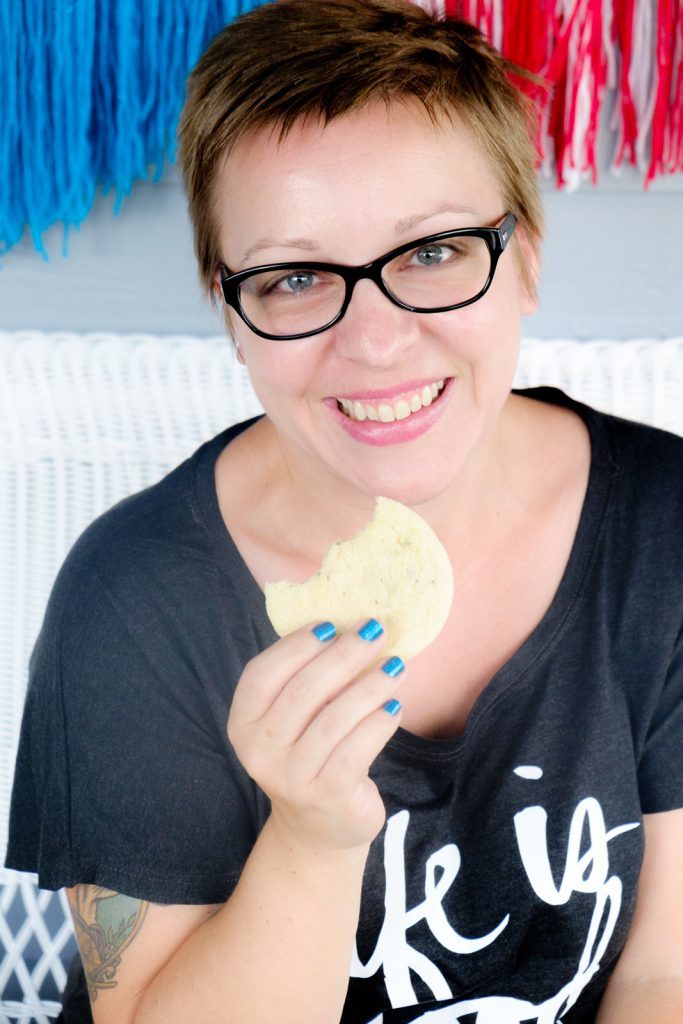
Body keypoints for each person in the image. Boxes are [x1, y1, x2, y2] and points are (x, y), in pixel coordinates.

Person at [6, 1, 683, 1022]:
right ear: (229, 309)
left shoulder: (664, 528)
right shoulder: (135, 597)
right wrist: (311, 835)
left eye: (430, 253)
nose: (373, 342)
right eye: (293, 276)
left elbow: (662, 971)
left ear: (526, 255)